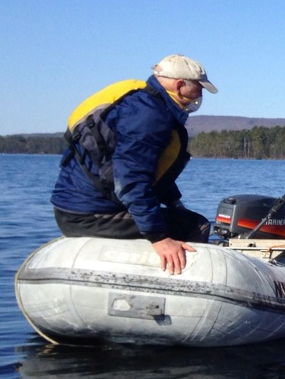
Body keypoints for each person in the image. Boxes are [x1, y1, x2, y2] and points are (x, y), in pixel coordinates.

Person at [51, 54, 218, 275]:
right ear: (179, 86)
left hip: (71, 208)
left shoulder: (139, 102)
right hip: (90, 215)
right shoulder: (150, 116)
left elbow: (152, 170)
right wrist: (158, 237)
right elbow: (131, 178)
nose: (200, 95)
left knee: (179, 217)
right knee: (195, 225)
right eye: (198, 88)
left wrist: (174, 203)